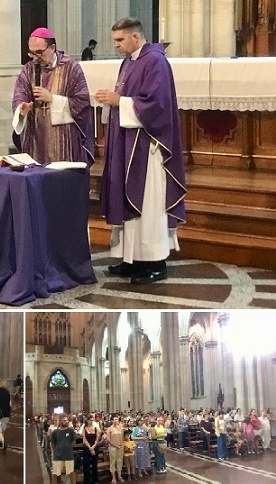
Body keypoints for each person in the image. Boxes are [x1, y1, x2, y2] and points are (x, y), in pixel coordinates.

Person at [94, 17, 186, 284]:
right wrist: (112, 101)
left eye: (120, 40)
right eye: (115, 41)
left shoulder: (155, 61)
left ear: (136, 37)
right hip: (128, 142)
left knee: (148, 203)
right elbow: (129, 98)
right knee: (129, 200)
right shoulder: (130, 61)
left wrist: (119, 101)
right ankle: (131, 259)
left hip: (148, 147)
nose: (117, 46)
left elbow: (156, 105)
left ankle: (155, 262)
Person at [12, 27, 94, 166]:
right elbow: (20, 94)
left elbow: (82, 102)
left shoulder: (71, 67)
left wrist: (52, 99)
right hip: (35, 137)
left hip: (63, 139)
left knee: (60, 181)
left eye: (39, 52)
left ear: (52, 48)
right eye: (31, 53)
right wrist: (22, 108)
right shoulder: (28, 69)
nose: (35, 58)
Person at [50, 414, 81, 484]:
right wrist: (57, 450)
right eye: (64, 420)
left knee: (71, 471)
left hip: (68, 455)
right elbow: (53, 444)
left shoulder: (70, 431)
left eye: (67, 420)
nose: (66, 422)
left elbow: (74, 440)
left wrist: (69, 447)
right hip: (58, 455)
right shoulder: (55, 432)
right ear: (60, 421)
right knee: (55, 473)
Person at [81, 414, 101, 484]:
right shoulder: (84, 428)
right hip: (87, 448)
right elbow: (84, 439)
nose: (92, 421)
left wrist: (94, 447)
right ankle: (87, 482)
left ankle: (95, 481)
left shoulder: (96, 428)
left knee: (94, 465)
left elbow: (97, 438)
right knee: (86, 465)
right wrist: (90, 447)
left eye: (93, 420)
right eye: (90, 420)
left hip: (94, 447)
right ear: (87, 420)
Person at [105, 415, 125, 484]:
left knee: (120, 461)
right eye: (115, 419)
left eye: (117, 419)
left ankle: (119, 476)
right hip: (113, 447)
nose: (116, 421)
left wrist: (122, 444)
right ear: (112, 420)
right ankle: (113, 477)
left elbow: (122, 437)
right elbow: (108, 440)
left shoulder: (120, 428)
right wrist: (116, 445)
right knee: (113, 462)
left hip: (120, 447)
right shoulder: (110, 429)